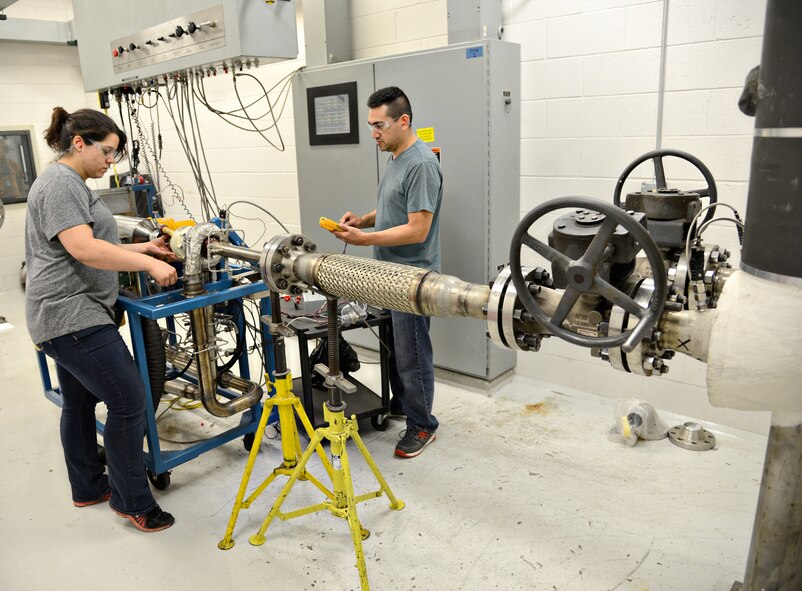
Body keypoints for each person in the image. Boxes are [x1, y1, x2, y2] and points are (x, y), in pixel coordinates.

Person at [25, 107, 178, 532]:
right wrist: (148, 268)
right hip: (71, 313)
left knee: (78, 403)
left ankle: (89, 486)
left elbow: (95, 237)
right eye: (107, 152)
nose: (111, 162)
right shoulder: (59, 184)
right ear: (80, 143)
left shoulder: (72, 181)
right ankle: (134, 503)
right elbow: (83, 249)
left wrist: (145, 251)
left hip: (63, 311)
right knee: (129, 402)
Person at [333, 87, 443, 459]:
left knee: (412, 355)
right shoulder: (396, 157)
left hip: (411, 278)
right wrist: (363, 219)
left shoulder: (422, 164)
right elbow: (395, 209)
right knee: (396, 351)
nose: (374, 134)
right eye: (371, 126)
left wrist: (365, 240)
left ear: (403, 121)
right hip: (388, 275)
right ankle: (404, 405)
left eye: (379, 125)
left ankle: (423, 424)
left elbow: (417, 229)